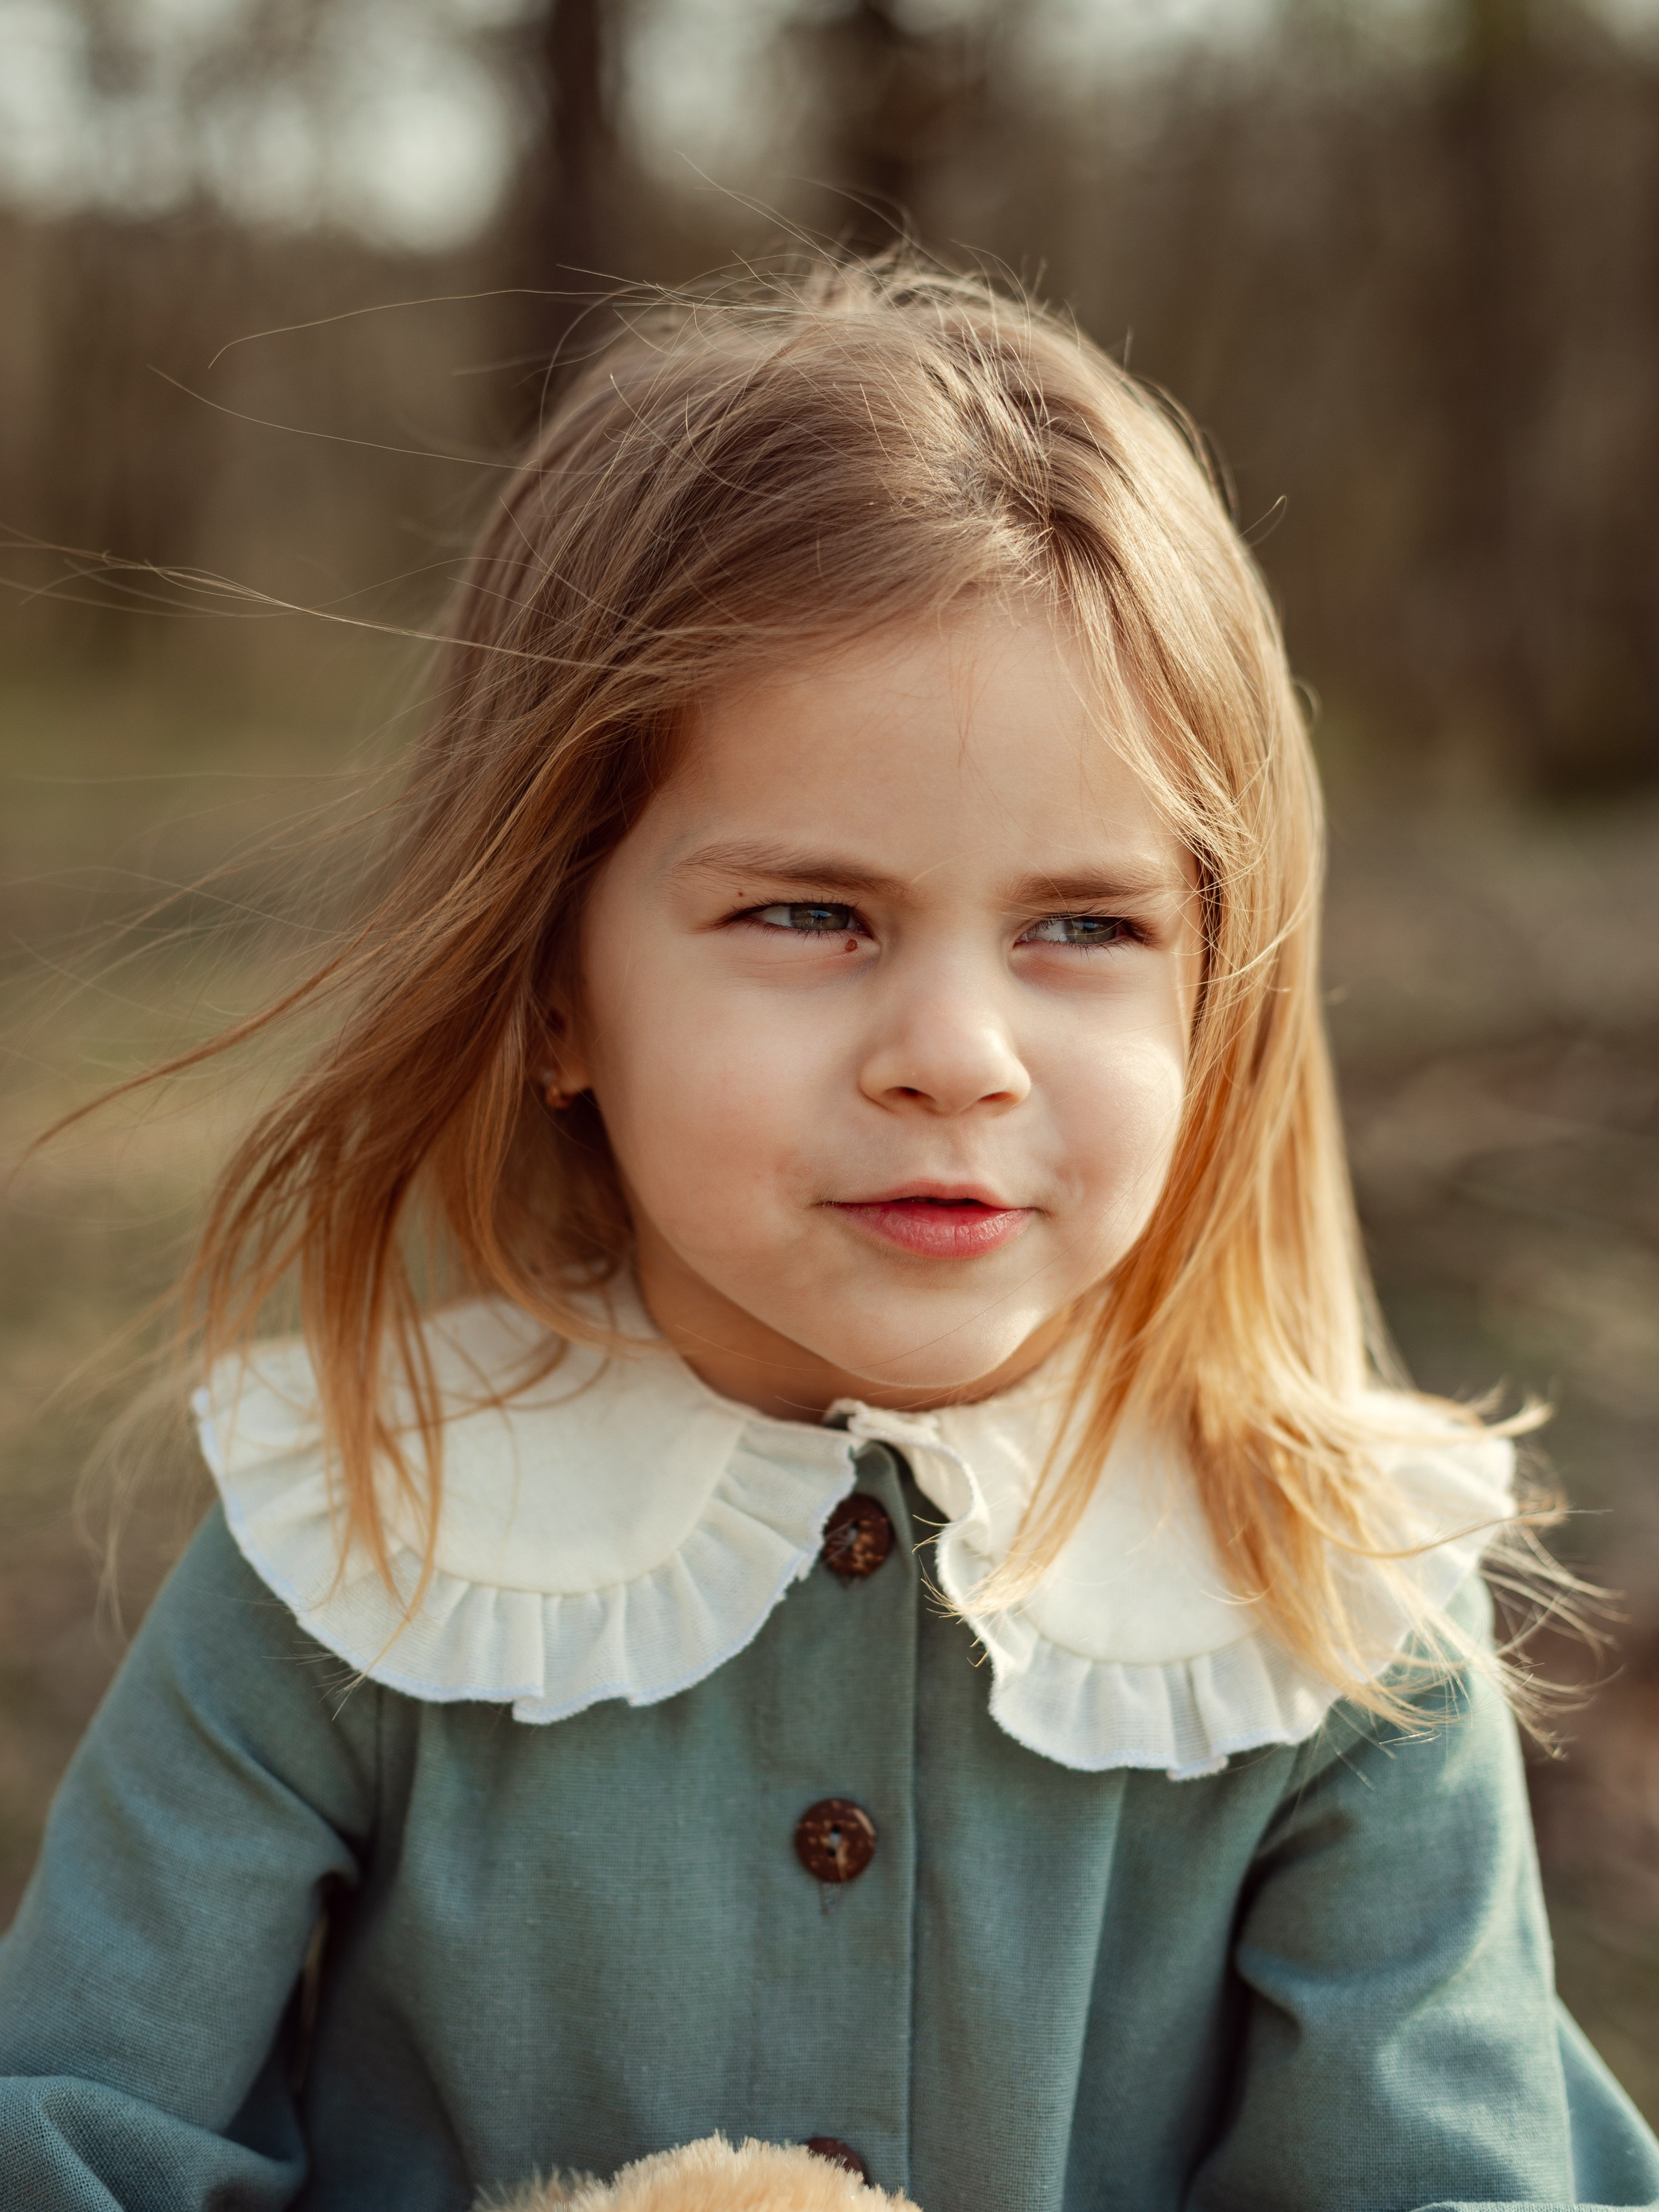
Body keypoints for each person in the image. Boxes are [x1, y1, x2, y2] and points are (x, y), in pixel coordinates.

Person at [1, 258, 1654, 2212]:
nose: (956, 1056)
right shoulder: (368, 1520)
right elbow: (77, 2140)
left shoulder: (1329, 1596)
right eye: (810, 915)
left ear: (1219, 992)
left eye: (1083, 925)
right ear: (551, 988)